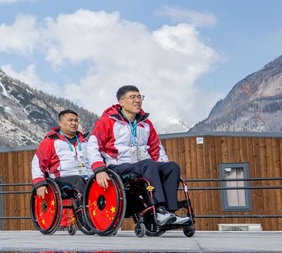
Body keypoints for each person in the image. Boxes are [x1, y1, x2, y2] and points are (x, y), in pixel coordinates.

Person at [91, 86, 189, 226]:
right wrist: (99, 169)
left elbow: (156, 148)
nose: (137, 100)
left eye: (139, 97)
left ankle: (170, 212)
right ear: (121, 102)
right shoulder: (107, 121)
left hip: (144, 164)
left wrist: (163, 168)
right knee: (148, 164)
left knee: (172, 167)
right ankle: (159, 210)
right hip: (118, 165)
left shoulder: (146, 123)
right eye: (132, 97)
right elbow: (93, 146)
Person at [32, 110, 111, 202]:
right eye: (70, 120)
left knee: (105, 178)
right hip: (62, 179)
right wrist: (39, 183)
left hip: (86, 177)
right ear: (60, 122)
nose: (74, 123)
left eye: (76, 120)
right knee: (78, 180)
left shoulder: (85, 142)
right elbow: (37, 163)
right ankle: (87, 207)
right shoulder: (50, 141)